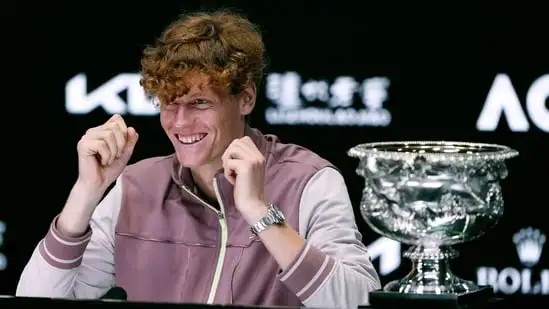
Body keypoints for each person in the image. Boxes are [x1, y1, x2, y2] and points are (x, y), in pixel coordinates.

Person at [16, 10, 380, 308]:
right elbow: (36, 300)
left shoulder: (309, 181)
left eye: (200, 103)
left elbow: (358, 302)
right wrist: (86, 191)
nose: (180, 122)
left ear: (246, 98)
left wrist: (259, 212)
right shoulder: (136, 186)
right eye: (169, 104)